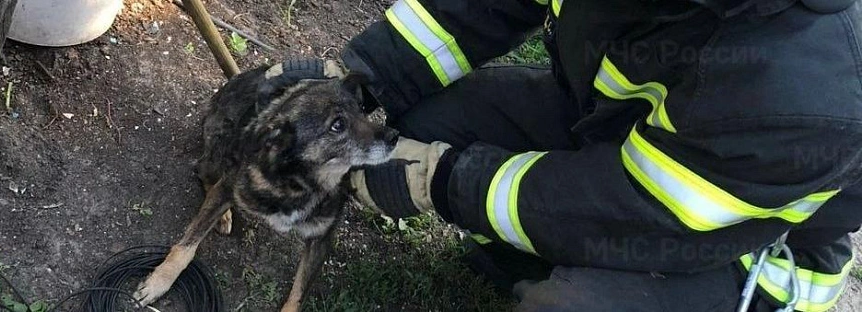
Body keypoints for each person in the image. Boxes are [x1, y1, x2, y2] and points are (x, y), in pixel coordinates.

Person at [276, 0, 862, 310]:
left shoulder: (796, 95)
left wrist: (443, 180)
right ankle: (526, 261)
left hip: (737, 250)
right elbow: (481, 9)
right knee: (428, 123)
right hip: (616, 131)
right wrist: (356, 80)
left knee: (570, 306)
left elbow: (629, 212)